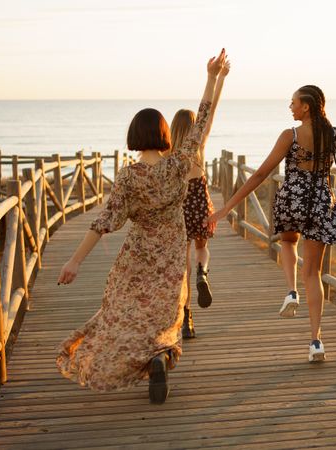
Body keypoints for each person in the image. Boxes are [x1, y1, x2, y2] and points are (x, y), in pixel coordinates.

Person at [55, 49, 228, 404]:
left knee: (124, 312)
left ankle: (153, 360)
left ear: (134, 135)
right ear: (165, 134)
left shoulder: (128, 176)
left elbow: (103, 222)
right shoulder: (180, 163)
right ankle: (161, 357)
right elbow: (203, 121)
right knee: (164, 315)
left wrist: (74, 262)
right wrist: (212, 78)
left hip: (136, 255)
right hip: (169, 255)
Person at [207, 85, 336, 362]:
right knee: (314, 273)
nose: (289, 107)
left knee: (289, 242)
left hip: (292, 199)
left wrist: (226, 208)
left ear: (306, 106)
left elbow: (260, 175)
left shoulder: (290, 135)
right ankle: (316, 341)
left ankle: (291, 291)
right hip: (319, 202)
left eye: (293, 103)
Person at [170, 60, 229, 338]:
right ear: (195, 125)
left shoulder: (169, 151)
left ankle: (186, 319)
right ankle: (203, 271)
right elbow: (211, 108)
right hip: (200, 201)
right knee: (201, 248)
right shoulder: (200, 143)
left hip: (178, 206)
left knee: (182, 263)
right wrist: (219, 79)